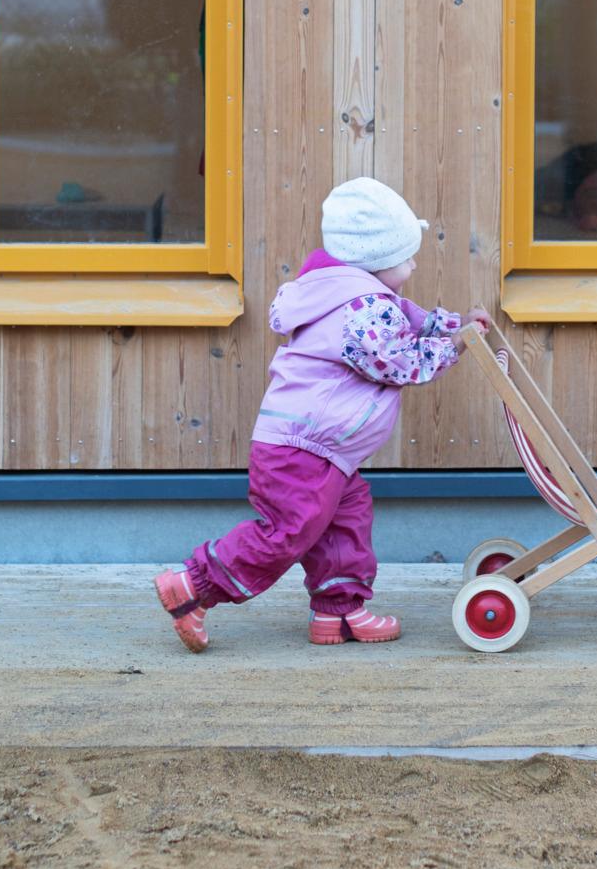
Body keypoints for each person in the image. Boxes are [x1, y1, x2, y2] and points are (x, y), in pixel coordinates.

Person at [153, 177, 485, 650]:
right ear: (374, 262)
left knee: (344, 521)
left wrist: (454, 325)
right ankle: (195, 586)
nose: (413, 266)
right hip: (303, 449)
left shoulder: (351, 295)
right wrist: (453, 345)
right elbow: (394, 361)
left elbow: (409, 317)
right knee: (288, 531)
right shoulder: (362, 307)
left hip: (325, 449)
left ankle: (339, 610)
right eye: (406, 258)